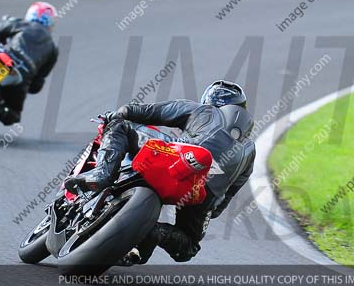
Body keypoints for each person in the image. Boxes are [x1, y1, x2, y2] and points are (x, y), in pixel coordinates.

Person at [64, 80, 256, 264]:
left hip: (178, 157)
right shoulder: (250, 150)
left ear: (209, 101)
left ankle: (102, 175)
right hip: (203, 193)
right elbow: (229, 194)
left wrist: (118, 114)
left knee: (121, 126)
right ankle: (153, 232)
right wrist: (208, 209)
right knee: (187, 247)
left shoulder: (202, 110)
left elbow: (149, 112)